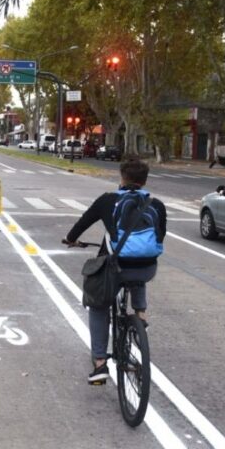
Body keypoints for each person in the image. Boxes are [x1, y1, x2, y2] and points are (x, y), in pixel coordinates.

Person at [63, 157, 167, 384]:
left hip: (115, 268)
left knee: (98, 304)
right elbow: (160, 236)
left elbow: (82, 223)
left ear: (121, 177)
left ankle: (100, 363)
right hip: (147, 269)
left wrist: (71, 239)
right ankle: (140, 315)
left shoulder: (108, 200)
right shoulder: (156, 205)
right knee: (137, 269)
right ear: (145, 181)